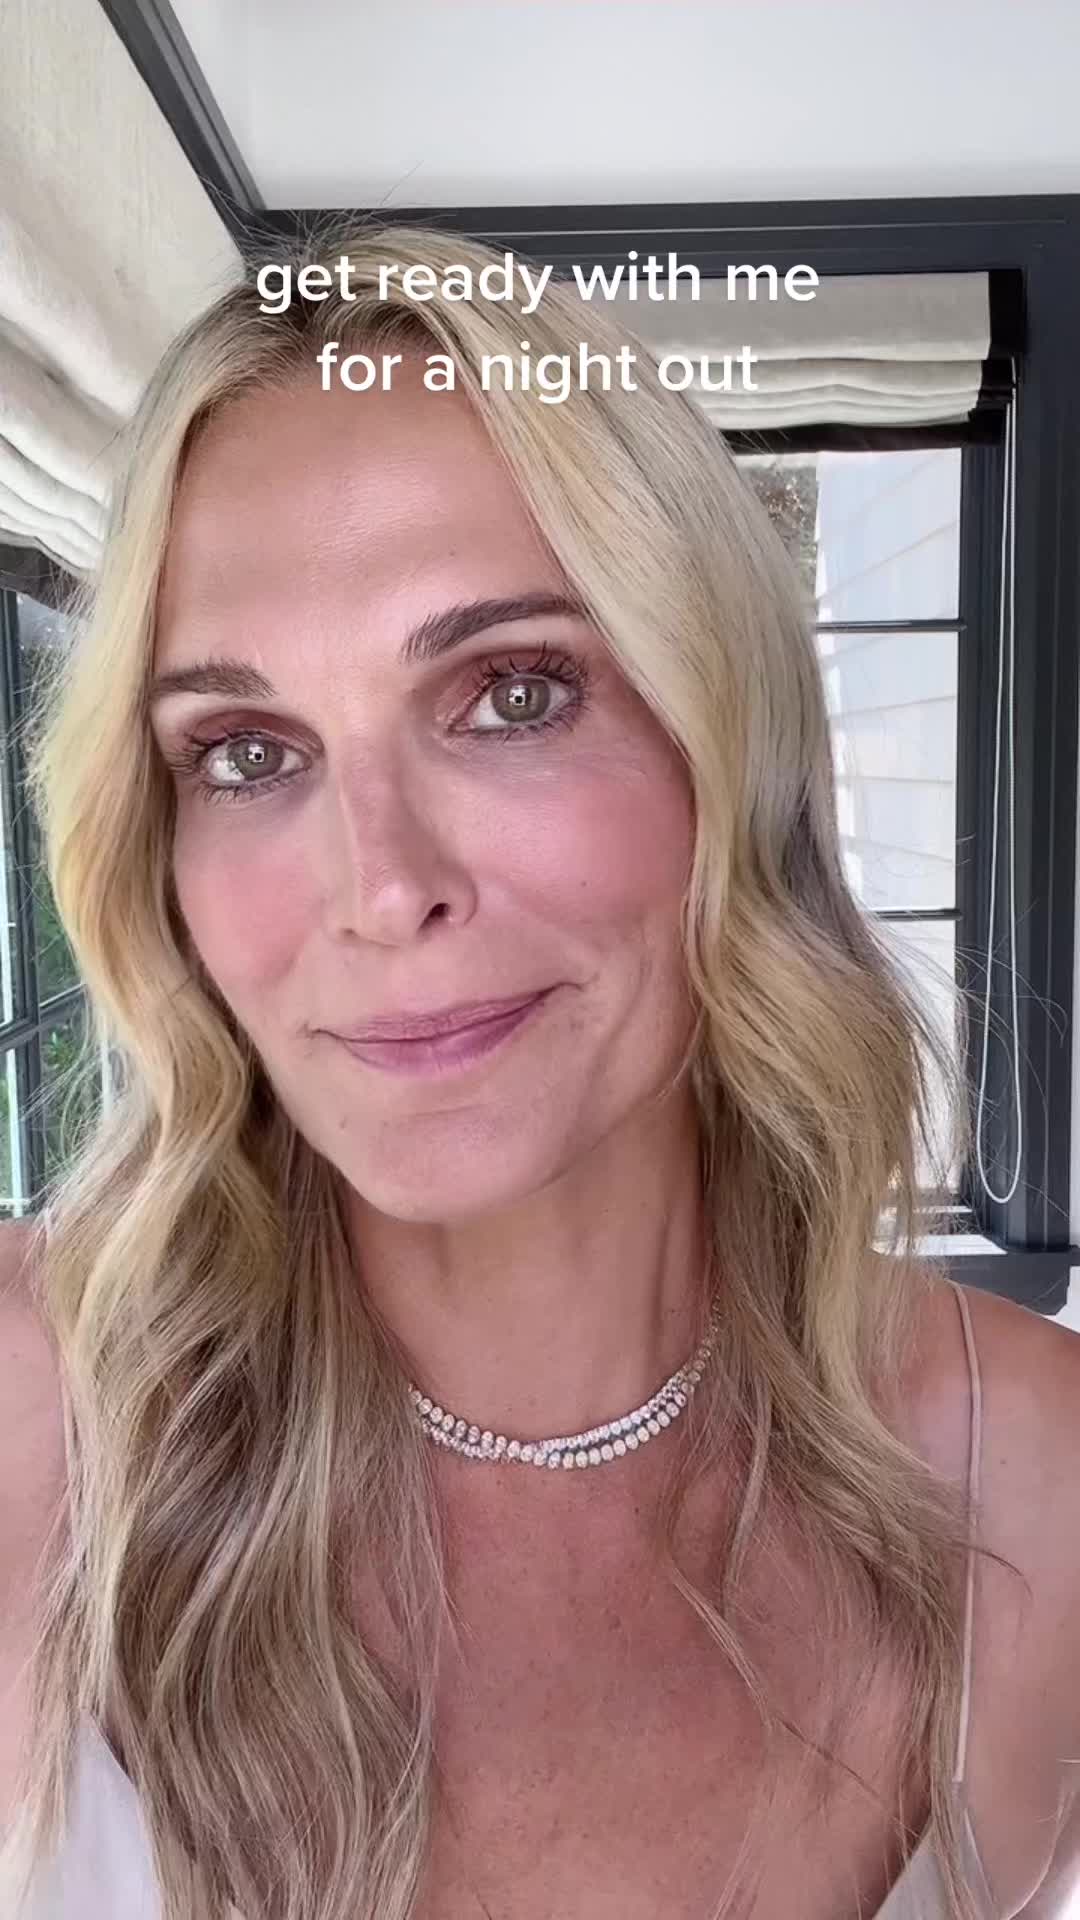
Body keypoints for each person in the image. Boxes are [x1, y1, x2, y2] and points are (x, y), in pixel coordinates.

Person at [1, 219, 1079, 1920]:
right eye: (248, 751)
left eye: (512, 695)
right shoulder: (31, 1423)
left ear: (729, 750)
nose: (381, 889)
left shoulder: (1037, 1482)